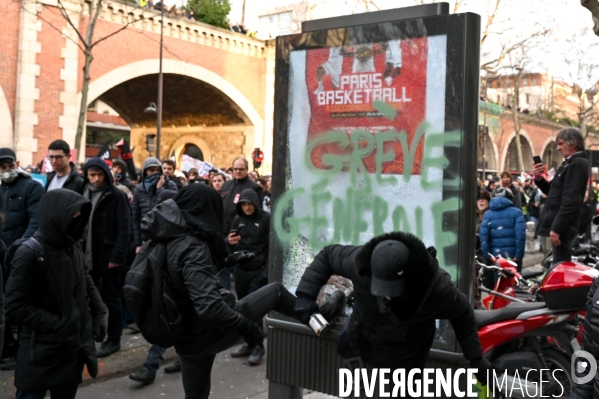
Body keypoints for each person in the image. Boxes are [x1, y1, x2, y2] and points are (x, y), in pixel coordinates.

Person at [138, 184, 340, 398]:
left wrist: (228, 260)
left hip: (186, 338)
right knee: (276, 293)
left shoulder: (163, 239)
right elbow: (210, 308)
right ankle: (318, 319)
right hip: (208, 330)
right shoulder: (191, 246)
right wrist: (248, 328)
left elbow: (183, 278)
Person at [294, 231, 487, 391]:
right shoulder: (360, 263)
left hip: (405, 353)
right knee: (349, 361)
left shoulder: (437, 288)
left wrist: (476, 358)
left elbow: (463, 315)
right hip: (361, 332)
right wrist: (304, 295)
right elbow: (327, 255)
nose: (385, 297)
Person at [5, 189, 108, 399]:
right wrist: (58, 324)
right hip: (39, 354)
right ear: (55, 216)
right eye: (73, 217)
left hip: (71, 351)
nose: (78, 223)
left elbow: (85, 279)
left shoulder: (71, 245)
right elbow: (15, 307)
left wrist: (99, 312)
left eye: (81, 216)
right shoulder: (29, 253)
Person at [129, 189, 180, 385]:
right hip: (164, 286)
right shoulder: (155, 227)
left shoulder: (179, 229)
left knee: (170, 325)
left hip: (176, 287)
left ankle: (150, 368)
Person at [82, 159, 132, 358]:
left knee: (112, 299)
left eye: (99, 175)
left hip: (109, 256)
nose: (95, 179)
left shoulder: (116, 195)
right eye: (92, 175)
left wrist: (117, 256)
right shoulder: (82, 193)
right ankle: (92, 334)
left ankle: (114, 339)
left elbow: (124, 228)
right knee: (88, 298)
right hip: (87, 256)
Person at [0, 148, 45, 367]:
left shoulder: (31, 187)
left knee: (20, 302)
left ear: (16, 163)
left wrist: (22, 248)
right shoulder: (1, 190)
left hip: (21, 255)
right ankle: (8, 346)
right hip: (3, 255)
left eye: (9, 165)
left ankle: (23, 349)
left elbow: (36, 220)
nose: (6, 170)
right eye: (2, 166)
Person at [533, 128, 589, 266]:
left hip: (563, 229)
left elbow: (571, 200)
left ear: (573, 143)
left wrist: (557, 228)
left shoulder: (577, 164)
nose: (558, 148)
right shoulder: (570, 163)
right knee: (556, 266)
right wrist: (539, 178)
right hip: (561, 227)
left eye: (561, 144)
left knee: (560, 269)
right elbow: (553, 191)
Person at [227, 189, 270, 365]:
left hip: (258, 271)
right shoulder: (237, 219)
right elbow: (231, 246)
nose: (246, 207)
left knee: (253, 310)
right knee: (242, 310)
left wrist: (266, 273)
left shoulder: (266, 219)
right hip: (241, 271)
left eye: (249, 204)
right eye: (243, 204)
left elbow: (271, 246)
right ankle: (250, 343)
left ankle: (258, 346)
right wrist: (228, 243)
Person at [131, 157, 178, 254]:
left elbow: (172, 210)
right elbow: (135, 218)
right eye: (151, 170)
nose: (155, 173)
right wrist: (138, 243)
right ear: (145, 172)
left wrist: (160, 189)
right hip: (145, 239)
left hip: (165, 238)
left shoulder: (170, 185)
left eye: (157, 170)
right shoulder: (139, 189)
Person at [479, 187, 526, 272]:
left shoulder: (488, 214)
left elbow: (484, 237)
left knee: (498, 282)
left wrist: (488, 256)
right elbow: (520, 236)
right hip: (512, 257)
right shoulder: (517, 213)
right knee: (514, 281)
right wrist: (518, 255)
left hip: (495, 257)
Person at [220, 158, 264, 236]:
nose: (238, 171)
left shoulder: (254, 187)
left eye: (241, 169)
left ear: (247, 170)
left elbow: (258, 212)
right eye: (235, 169)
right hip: (223, 230)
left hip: (242, 232)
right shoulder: (226, 185)